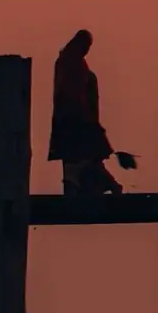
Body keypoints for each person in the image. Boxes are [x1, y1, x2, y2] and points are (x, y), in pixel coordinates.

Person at [47, 29, 123, 196]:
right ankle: (98, 188)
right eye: (86, 46)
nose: (87, 50)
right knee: (87, 160)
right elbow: (73, 93)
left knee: (78, 161)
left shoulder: (66, 61)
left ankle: (80, 190)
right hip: (76, 118)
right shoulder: (73, 63)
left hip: (67, 119)